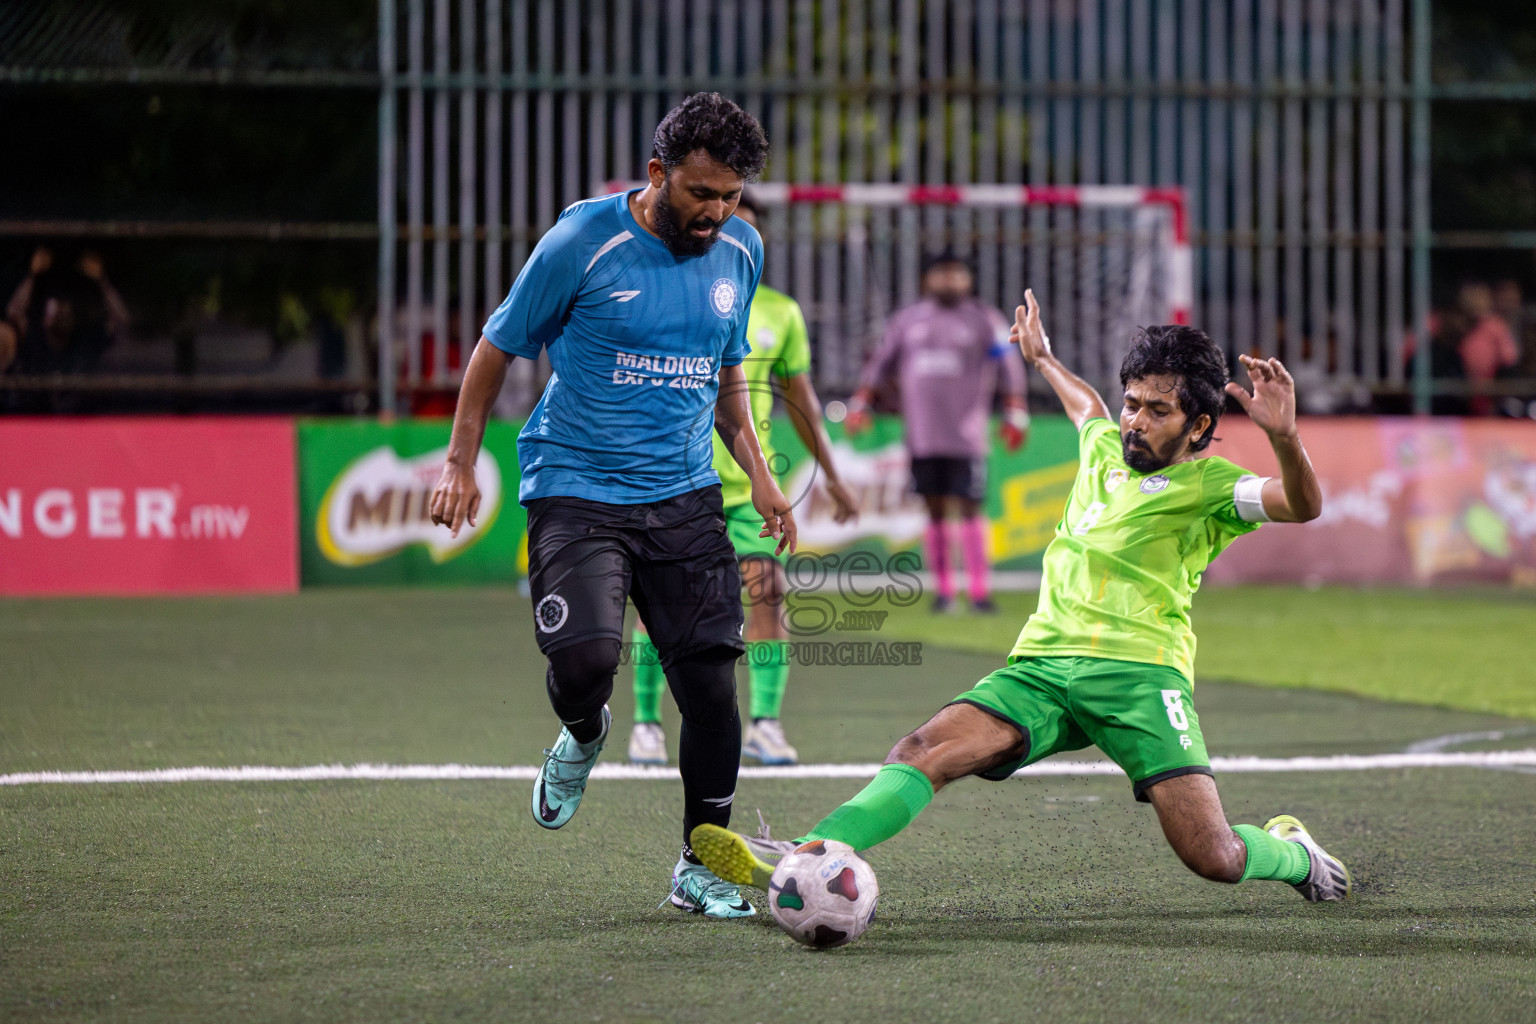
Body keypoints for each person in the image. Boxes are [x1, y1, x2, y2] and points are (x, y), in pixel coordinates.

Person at [692, 290, 1353, 909]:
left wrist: (1286, 437)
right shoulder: (1104, 445)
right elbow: (1085, 407)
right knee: (921, 750)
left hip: (1138, 677)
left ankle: (1294, 854)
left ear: (1199, 423)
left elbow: (1299, 503)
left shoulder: (1212, 486)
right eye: (1134, 404)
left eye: (1158, 411)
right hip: (1039, 668)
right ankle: (811, 851)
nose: (1135, 422)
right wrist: (1042, 360)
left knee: (1214, 856)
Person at [428, 93, 792, 920]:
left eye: (731, 196)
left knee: (709, 693)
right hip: (576, 487)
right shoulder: (580, 243)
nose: (716, 212)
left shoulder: (742, 248)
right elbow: (496, 347)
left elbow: (726, 373)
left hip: (685, 494)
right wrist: (460, 460)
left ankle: (697, 868)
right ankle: (585, 733)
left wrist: (760, 473)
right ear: (658, 173)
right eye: (701, 193)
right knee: (588, 662)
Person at [626, 192, 860, 769]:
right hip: (677, 478)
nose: (731, 238)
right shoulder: (677, 294)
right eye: (724, 225)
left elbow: (801, 402)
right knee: (659, 604)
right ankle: (647, 725)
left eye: (744, 230)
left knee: (768, 593)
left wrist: (831, 476)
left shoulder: (781, 312)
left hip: (751, 485)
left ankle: (765, 724)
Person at [845, 252, 1028, 614]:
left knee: (972, 509)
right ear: (927, 280)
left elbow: (1008, 365)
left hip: (968, 437)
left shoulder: (983, 319)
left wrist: (1016, 409)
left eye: (957, 274)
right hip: (923, 436)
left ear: (968, 279)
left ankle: (979, 591)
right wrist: (861, 400)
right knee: (935, 510)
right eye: (942, 274)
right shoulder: (909, 320)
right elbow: (881, 363)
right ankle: (945, 592)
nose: (950, 281)